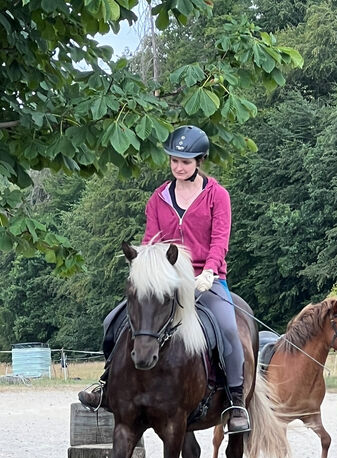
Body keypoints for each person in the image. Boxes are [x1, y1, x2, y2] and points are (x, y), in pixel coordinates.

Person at [78, 125, 249, 434]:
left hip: (206, 280)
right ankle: (106, 383)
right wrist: (143, 265)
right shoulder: (158, 198)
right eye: (174, 161)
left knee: (227, 329)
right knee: (112, 321)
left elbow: (220, 240)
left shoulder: (217, 196)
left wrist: (210, 270)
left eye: (185, 162)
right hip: (165, 283)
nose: (178, 167)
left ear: (200, 161)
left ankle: (235, 399)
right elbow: (151, 240)